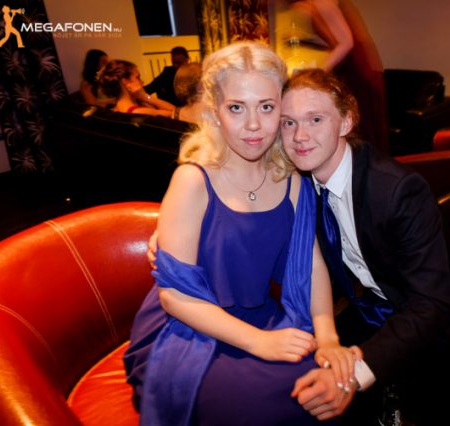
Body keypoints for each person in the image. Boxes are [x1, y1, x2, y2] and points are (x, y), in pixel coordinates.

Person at [124, 42, 357, 425]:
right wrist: (260, 342)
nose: (253, 125)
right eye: (236, 108)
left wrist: (328, 336)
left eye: (266, 107)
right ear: (214, 111)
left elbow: (310, 264)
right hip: (185, 332)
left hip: (259, 316)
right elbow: (174, 296)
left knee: (318, 386)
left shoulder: (291, 181)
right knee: (269, 407)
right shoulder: (192, 180)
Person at [280, 69, 450, 425]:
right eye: (288, 123)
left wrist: (353, 376)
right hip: (382, 306)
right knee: (291, 382)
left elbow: (430, 304)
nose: (299, 136)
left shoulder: (396, 190)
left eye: (315, 119)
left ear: (346, 121)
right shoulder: (303, 183)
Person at [281, 0, 389, 153]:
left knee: (357, 132)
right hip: (347, 72)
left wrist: (318, 73)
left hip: (355, 74)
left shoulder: (322, 3)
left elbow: (347, 42)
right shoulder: (314, 5)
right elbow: (331, 39)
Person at [98, 59, 175, 117]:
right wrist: (145, 96)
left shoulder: (116, 108)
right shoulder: (138, 112)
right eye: (137, 77)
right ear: (126, 82)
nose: (142, 82)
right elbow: (175, 112)